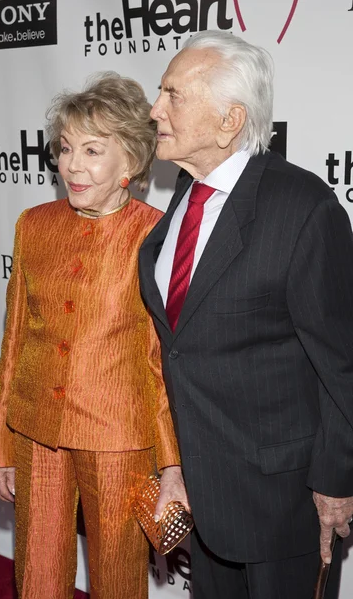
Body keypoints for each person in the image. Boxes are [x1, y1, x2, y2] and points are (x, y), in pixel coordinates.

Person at [139, 30, 353, 599]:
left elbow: (342, 364)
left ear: (229, 120)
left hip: (284, 503)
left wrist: (336, 482)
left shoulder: (302, 208)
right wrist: (175, 466)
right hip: (205, 498)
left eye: (173, 95)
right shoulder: (183, 197)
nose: (154, 108)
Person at [0, 72, 188, 599]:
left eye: (94, 150)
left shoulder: (156, 234)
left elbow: (160, 358)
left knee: (119, 579)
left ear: (133, 163)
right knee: (37, 576)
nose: (73, 165)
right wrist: (0, 443)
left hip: (120, 439)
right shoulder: (33, 224)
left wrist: (172, 464)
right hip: (35, 433)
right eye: (67, 148)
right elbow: (14, 341)